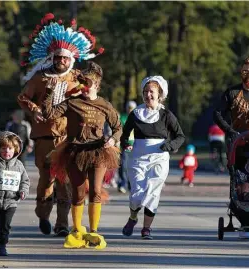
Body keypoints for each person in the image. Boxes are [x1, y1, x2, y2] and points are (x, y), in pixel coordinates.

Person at [17, 13, 103, 237]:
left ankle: (62, 224)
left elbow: (93, 95)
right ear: (52, 58)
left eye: (64, 59)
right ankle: (43, 214)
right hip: (44, 136)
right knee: (47, 180)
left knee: (65, 181)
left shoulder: (77, 78)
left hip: (68, 137)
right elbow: (23, 97)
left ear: (71, 60)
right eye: (57, 58)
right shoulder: (40, 78)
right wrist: (34, 109)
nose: (61, 62)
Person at [42, 61, 122, 249]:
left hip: (98, 152)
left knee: (95, 191)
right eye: (82, 82)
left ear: (97, 85)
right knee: (77, 194)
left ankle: (93, 231)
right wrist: (49, 91)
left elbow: (118, 127)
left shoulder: (105, 105)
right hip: (74, 152)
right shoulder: (72, 103)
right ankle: (77, 230)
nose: (85, 87)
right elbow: (49, 114)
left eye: (88, 83)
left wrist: (113, 139)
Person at [121, 76, 185, 240]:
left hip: (159, 157)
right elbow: (125, 134)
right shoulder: (136, 114)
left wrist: (169, 146)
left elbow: (179, 136)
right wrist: (125, 144)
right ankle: (133, 218)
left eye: (152, 92)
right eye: (145, 91)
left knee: (153, 192)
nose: (148, 95)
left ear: (160, 94)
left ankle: (146, 229)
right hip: (138, 157)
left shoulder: (166, 115)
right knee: (137, 194)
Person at [0, 131, 30, 256]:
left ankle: (2, 245)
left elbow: (25, 181)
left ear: (16, 150)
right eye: (3, 148)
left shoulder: (19, 166)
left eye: (10, 148)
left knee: (5, 226)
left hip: (11, 202)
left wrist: (23, 191)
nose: (6, 151)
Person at [117, 100, 137, 193]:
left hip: (136, 144)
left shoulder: (138, 118)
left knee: (133, 166)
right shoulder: (123, 117)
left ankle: (131, 185)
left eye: (132, 108)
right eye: (129, 108)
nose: (130, 109)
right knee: (123, 165)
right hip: (125, 144)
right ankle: (122, 184)